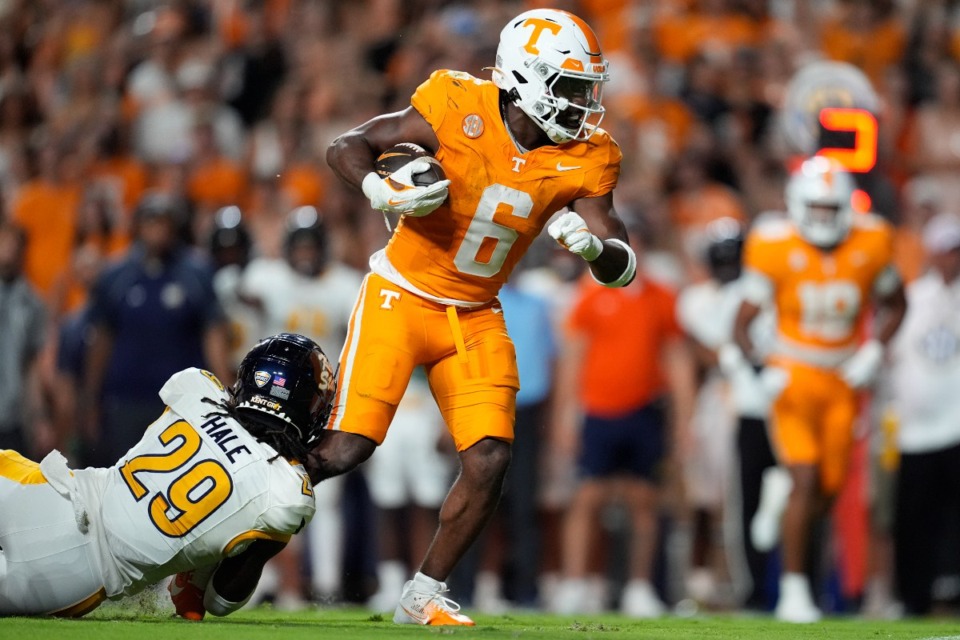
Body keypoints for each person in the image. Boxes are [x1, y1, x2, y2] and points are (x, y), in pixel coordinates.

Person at [312, 8, 636, 627]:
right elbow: (346, 146)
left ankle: (424, 593)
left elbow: (621, 258)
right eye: (570, 87)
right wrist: (378, 190)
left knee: (489, 457)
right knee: (345, 448)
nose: (582, 104)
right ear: (527, 78)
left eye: (586, 89)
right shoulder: (456, 100)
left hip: (476, 310)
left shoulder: (589, 157)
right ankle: (240, 524)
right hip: (401, 293)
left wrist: (595, 248)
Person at [0, 333, 335, 618]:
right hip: (79, 579)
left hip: (52, 497)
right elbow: (220, 601)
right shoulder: (286, 492)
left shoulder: (197, 389)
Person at [728, 156, 907, 623]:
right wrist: (760, 369)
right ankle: (793, 590)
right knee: (807, 479)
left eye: (833, 209)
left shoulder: (872, 240)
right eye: (817, 209)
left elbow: (896, 303)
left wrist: (873, 352)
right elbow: (742, 323)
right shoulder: (772, 244)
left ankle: (781, 496)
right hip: (795, 375)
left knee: (827, 490)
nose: (825, 218)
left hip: (844, 378)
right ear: (797, 205)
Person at [551, 226, 696, 618]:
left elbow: (677, 360)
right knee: (587, 499)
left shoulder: (660, 296)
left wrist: (684, 420)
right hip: (597, 410)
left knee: (644, 501)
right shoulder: (591, 294)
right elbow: (573, 358)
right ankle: (575, 584)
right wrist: (565, 415)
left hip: (644, 410)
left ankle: (639, 587)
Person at [79, 192, 233, 467]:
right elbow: (101, 341)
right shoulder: (116, 276)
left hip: (182, 403)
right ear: (138, 225)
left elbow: (213, 335)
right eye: (151, 221)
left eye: (164, 222)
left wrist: (223, 391)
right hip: (126, 400)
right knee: (126, 479)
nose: (158, 229)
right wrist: (91, 400)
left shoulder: (196, 273)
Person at [885, 212, 960, 616]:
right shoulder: (912, 299)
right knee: (912, 521)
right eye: (945, 251)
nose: (950, 259)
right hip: (916, 430)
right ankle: (912, 597)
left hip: (957, 426)